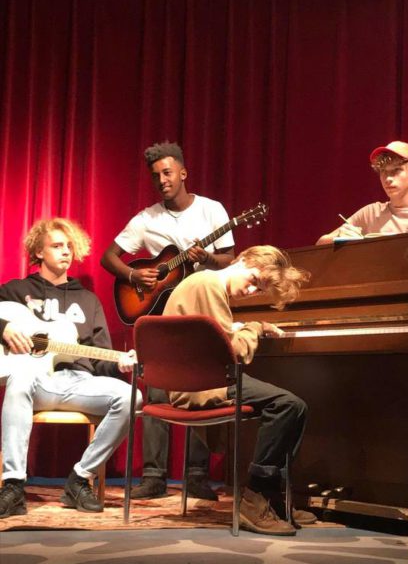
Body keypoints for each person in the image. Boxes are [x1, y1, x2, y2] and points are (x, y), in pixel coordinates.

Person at [101, 141, 235, 501]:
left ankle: (196, 476)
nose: (162, 180)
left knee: (201, 386)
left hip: (200, 312)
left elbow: (230, 259)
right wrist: (133, 275)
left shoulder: (212, 210)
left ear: (183, 173)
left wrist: (207, 258)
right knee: (157, 389)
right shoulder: (147, 219)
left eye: (168, 172)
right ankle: (153, 476)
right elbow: (108, 257)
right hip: (160, 314)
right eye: (156, 175)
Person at [162, 245, 314, 536]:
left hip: (198, 379)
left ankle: (271, 499)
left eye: (259, 290)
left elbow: (215, 339)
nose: (252, 291)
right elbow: (232, 353)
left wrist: (238, 327)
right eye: (254, 280)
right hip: (201, 385)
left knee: (294, 406)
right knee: (289, 405)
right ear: (242, 260)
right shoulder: (209, 284)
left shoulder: (203, 283)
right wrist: (255, 327)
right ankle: (255, 499)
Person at [0, 218, 141, 519]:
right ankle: (13, 485)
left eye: (68, 246)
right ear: (39, 252)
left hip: (79, 381)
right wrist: (4, 328)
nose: (66, 251)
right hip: (34, 380)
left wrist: (120, 363)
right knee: (20, 378)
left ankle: (79, 479)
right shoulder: (16, 290)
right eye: (56, 245)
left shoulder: (88, 300)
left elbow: (101, 359)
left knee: (132, 397)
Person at [316, 141, 408, 244]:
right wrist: (339, 237)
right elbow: (320, 243)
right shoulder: (371, 213)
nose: (388, 179)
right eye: (383, 171)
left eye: (396, 170)